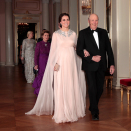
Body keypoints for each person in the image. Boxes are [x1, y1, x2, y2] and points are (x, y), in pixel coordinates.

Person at [25, 13, 86, 123]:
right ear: (60, 22)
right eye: (63, 19)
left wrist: (84, 51)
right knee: (61, 86)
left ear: (69, 21)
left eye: (67, 19)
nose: (66, 21)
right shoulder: (56, 34)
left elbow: (77, 49)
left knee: (71, 85)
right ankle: (61, 112)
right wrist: (54, 64)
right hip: (60, 65)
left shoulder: (73, 34)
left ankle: (72, 110)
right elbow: (53, 51)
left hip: (71, 64)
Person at [76, 14, 115, 121]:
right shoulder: (83, 33)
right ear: (88, 21)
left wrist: (112, 64)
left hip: (102, 65)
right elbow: (79, 50)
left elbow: (109, 50)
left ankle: (92, 105)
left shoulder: (103, 32)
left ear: (98, 21)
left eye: (96, 20)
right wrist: (92, 58)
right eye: (92, 20)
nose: (94, 22)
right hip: (89, 65)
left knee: (100, 89)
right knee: (92, 88)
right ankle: (95, 112)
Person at [33, 30, 51, 96]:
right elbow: (36, 55)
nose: (46, 37)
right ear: (42, 36)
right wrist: (36, 64)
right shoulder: (39, 44)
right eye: (45, 35)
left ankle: (46, 90)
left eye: (48, 35)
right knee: (41, 75)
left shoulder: (50, 44)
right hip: (41, 62)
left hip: (48, 62)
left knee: (47, 76)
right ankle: (40, 91)